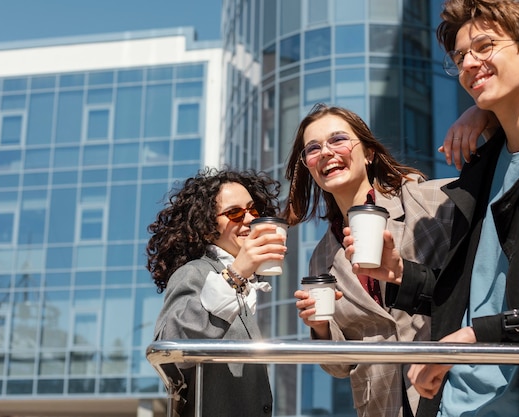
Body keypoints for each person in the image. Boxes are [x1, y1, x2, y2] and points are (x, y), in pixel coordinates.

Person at [345, 1, 519, 416]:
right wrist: (399, 273)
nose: (470, 63)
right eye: (460, 57)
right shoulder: (482, 168)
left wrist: (475, 337)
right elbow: (474, 296)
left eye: (485, 47)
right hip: (454, 403)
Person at [285, 103, 491, 417]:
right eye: (313, 148)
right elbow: (340, 366)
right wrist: (320, 328)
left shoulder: (428, 201)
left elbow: (501, 194)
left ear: (368, 153)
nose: (325, 152)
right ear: (310, 167)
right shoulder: (322, 258)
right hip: (382, 405)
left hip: (451, 391)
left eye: (338, 140)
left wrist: (484, 117)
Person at [147, 167, 287, 417]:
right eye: (234, 213)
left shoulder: (244, 283)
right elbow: (170, 345)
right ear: (207, 227)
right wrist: (236, 274)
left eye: (253, 209)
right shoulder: (195, 272)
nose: (248, 219)